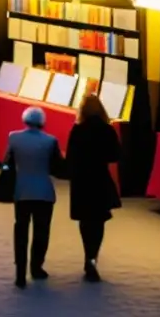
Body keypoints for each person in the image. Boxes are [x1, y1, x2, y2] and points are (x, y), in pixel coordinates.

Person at [5, 106, 64, 289]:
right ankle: (36, 267)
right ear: (42, 122)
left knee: (20, 231)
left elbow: (7, 162)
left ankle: (20, 272)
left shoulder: (13, 137)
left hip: (21, 191)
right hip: (44, 192)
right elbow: (58, 169)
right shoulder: (50, 141)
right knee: (41, 231)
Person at [65, 94, 121, 282]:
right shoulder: (107, 130)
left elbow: (70, 157)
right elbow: (115, 155)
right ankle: (92, 258)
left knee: (85, 220)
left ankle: (87, 254)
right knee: (98, 221)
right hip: (99, 178)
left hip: (82, 180)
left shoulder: (78, 129)